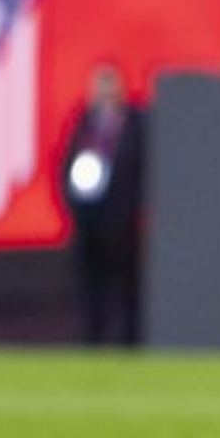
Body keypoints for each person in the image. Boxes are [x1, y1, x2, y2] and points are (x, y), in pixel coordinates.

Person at [58, 64, 146, 345]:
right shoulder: (85, 124)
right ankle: (93, 340)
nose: (106, 96)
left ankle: (129, 344)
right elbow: (67, 166)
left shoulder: (136, 124)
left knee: (126, 288)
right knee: (90, 286)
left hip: (122, 223)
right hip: (89, 219)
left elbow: (142, 170)